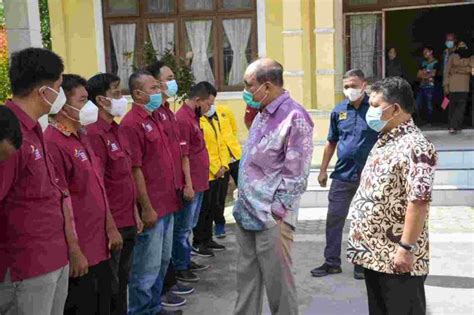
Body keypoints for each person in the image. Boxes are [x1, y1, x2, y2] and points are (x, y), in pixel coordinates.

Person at [0, 48, 83, 315]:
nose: (60, 96)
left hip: (53, 257)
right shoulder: (8, 136)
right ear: (43, 91)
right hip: (27, 265)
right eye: (59, 87)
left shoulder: (36, 130)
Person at [347, 76, 437, 315]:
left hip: (396, 257)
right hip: (374, 255)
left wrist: (406, 247)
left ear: (395, 108)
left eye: (376, 106)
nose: (370, 111)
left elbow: (418, 201)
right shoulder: (386, 139)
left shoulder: (416, 146)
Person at [233, 58, 314, 315]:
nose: (245, 91)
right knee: (246, 284)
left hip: (271, 218)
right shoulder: (261, 113)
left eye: (249, 85)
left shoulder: (295, 117)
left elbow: (297, 175)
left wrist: (276, 213)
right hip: (246, 211)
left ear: (266, 86)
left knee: (279, 287)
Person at [45, 74, 122, 315]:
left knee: (106, 302)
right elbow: (61, 203)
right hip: (81, 252)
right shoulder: (53, 143)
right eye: (82, 101)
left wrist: (110, 226)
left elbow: (98, 187)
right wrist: (75, 250)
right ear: (62, 105)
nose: (89, 107)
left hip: (100, 243)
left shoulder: (82, 135)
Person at [120, 70, 182, 315]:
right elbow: (135, 170)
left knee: (161, 263)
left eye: (159, 87)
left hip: (168, 203)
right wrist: (146, 207)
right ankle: (141, 310)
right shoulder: (131, 123)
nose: (160, 92)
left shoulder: (155, 116)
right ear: (138, 94)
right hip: (153, 207)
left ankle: (154, 308)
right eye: (154, 88)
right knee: (146, 268)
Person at [310, 69, 379, 280]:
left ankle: (361, 263)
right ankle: (331, 262)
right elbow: (331, 142)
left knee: (364, 220)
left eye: (354, 85)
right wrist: (323, 170)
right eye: (346, 86)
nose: (350, 90)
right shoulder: (339, 111)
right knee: (334, 219)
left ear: (364, 85)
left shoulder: (376, 110)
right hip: (342, 175)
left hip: (369, 176)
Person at [85, 73, 143, 315]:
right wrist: (110, 226)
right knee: (110, 286)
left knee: (122, 281)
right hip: (112, 225)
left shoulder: (116, 130)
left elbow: (125, 177)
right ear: (101, 100)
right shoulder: (94, 133)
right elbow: (99, 185)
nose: (122, 98)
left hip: (128, 219)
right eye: (116, 93)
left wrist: (136, 213)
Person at [146, 61, 197, 305]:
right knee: (152, 260)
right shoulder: (146, 118)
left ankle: (164, 291)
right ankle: (156, 299)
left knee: (165, 253)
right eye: (168, 78)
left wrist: (185, 182)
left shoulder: (166, 111)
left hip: (172, 191)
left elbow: (178, 152)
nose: (172, 82)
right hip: (157, 198)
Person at [174, 82, 213, 281]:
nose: (209, 109)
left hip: (199, 182)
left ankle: (186, 259)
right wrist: (188, 184)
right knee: (183, 227)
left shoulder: (194, 117)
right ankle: (180, 266)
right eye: (208, 104)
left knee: (191, 225)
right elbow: (183, 156)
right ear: (198, 100)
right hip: (192, 184)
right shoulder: (182, 119)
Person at [194, 85, 228, 256]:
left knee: (213, 207)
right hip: (207, 173)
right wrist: (215, 168)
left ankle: (208, 238)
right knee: (203, 210)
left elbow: (221, 143)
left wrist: (224, 165)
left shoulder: (214, 120)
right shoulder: (197, 121)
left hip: (219, 172)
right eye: (209, 103)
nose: (211, 107)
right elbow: (203, 149)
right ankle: (200, 241)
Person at [213, 104, 242, 238]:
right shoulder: (203, 116)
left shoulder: (224, 110)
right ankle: (219, 224)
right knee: (220, 194)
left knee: (245, 188)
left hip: (234, 156)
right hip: (220, 162)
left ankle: (246, 219)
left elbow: (234, 129)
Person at [443, 42, 472, 134]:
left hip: (464, 87)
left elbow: (471, 70)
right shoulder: (452, 57)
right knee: (452, 107)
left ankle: (455, 126)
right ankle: (453, 126)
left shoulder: (471, 58)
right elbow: (447, 71)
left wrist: (455, 70)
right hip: (453, 86)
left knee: (460, 108)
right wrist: (445, 85)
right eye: (461, 47)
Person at [416, 46, 438, 125]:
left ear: (431, 52)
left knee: (430, 104)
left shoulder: (436, 62)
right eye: (424, 53)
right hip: (422, 86)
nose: (425, 54)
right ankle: (420, 121)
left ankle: (430, 121)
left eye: (426, 52)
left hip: (431, 87)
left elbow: (434, 74)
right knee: (418, 103)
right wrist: (427, 75)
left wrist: (424, 75)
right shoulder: (423, 63)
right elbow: (418, 75)